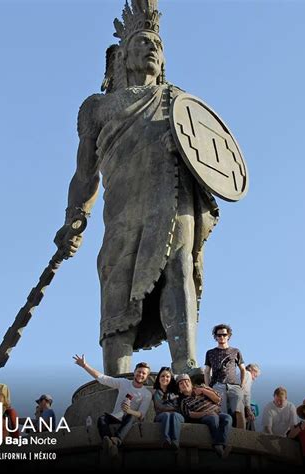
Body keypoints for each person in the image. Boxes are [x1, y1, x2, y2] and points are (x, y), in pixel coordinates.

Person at [54, 0, 220, 376]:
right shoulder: (98, 108)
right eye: (144, 42)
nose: (152, 49)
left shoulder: (177, 102)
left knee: (177, 267)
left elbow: (206, 154)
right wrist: (74, 219)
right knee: (117, 283)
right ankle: (116, 376)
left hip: (172, 195)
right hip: (123, 210)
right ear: (124, 54)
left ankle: (185, 363)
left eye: (158, 46)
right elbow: (85, 174)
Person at [73, 354, 152, 458]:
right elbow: (103, 379)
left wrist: (129, 411)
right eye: (139, 372)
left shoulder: (146, 393)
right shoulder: (123, 382)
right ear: (134, 372)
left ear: (146, 377)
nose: (140, 374)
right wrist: (85, 365)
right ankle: (110, 442)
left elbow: (141, 415)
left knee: (131, 416)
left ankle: (116, 440)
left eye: (144, 373)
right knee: (102, 419)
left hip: (129, 419)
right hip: (116, 417)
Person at [177, 373, 232, 459]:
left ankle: (219, 444)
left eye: (186, 381)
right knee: (213, 418)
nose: (184, 384)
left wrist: (203, 391)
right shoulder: (182, 401)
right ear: (179, 389)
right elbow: (190, 414)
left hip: (217, 412)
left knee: (227, 418)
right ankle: (220, 445)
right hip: (205, 417)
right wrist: (206, 413)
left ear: (191, 383)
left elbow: (218, 399)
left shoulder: (202, 387)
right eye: (181, 383)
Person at [204, 324, 246, 428]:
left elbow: (243, 369)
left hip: (234, 385)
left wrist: (242, 385)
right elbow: (206, 371)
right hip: (217, 385)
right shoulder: (210, 352)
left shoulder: (236, 351)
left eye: (224, 334)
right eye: (218, 335)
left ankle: (242, 435)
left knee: (239, 410)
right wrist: (207, 387)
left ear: (228, 336)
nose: (221, 337)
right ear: (216, 337)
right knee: (222, 412)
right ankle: (224, 436)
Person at [152, 366, 184, 451]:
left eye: (167, 376)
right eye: (162, 376)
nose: (165, 378)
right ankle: (166, 440)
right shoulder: (156, 392)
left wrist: (171, 407)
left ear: (171, 379)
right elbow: (160, 406)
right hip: (161, 416)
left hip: (177, 416)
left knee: (174, 415)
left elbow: (178, 407)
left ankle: (175, 442)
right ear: (158, 378)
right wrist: (172, 407)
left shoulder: (176, 392)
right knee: (166, 414)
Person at [243, 363, 261, 430]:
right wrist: (249, 410)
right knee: (251, 416)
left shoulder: (242, 375)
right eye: (255, 376)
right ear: (252, 370)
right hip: (240, 403)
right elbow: (246, 393)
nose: (254, 379)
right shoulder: (247, 374)